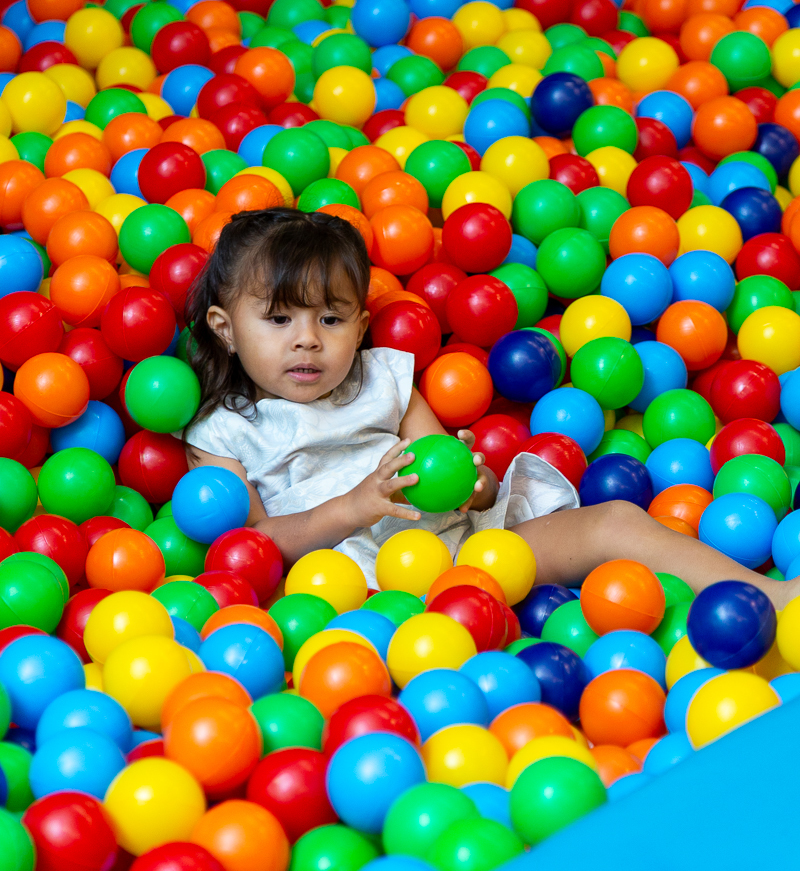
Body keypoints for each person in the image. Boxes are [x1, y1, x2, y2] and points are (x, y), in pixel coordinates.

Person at [184, 208, 797, 607]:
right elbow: (254, 546)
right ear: (225, 328)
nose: (308, 338)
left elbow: (452, 468)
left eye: (331, 318)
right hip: (362, 597)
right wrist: (354, 506)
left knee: (613, 520)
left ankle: (770, 595)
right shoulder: (225, 432)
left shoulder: (385, 381)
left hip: (475, 551)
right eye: (278, 319)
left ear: (362, 324)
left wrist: (473, 486)